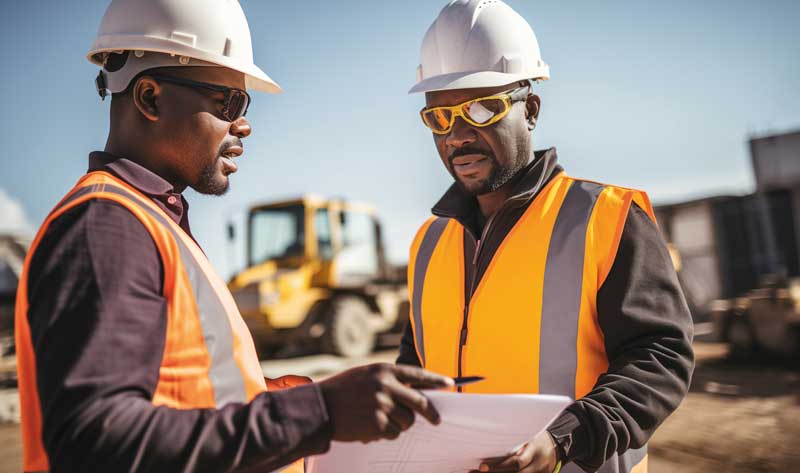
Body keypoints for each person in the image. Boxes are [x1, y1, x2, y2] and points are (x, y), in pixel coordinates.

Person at [15, 1, 452, 472]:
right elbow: (93, 444)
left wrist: (326, 399)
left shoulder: (151, 223)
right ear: (149, 98)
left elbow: (202, 393)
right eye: (228, 102)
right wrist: (320, 412)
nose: (243, 124)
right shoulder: (106, 228)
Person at [396, 1, 695, 472]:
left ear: (530, 110)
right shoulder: (427, 245)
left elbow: (660, 357)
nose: (457, 135)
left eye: (480, 108)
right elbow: (415, 369)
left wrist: (562, 441)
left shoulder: (606, 218)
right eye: (439, 117)